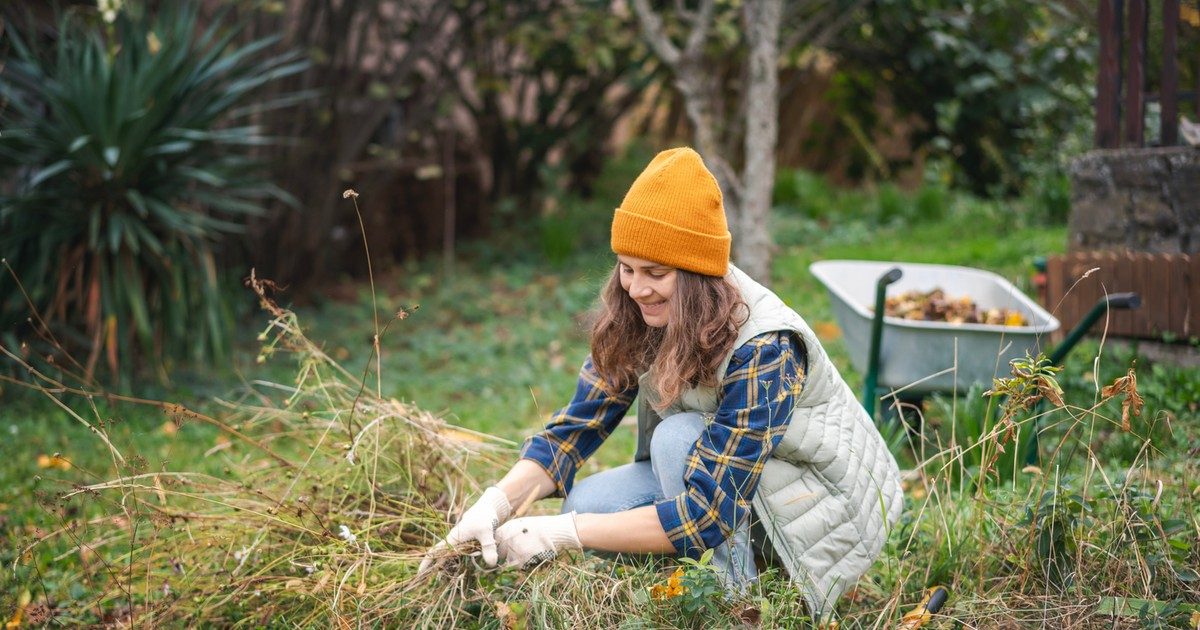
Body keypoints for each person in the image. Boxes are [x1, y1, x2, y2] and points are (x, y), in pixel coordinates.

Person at [419, 147, 903, 616]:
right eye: (627, 269)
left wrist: (562, 533)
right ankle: (695, 578)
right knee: (589, 503)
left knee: (675, 439)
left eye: (656, 272)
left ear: (697, 275)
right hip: (731, 485)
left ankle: (737, 603)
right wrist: (495, 506)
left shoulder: (766, 345)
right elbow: (573, 433)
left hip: (815, 506)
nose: (637, 288)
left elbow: (707, 513)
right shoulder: (643, 314)